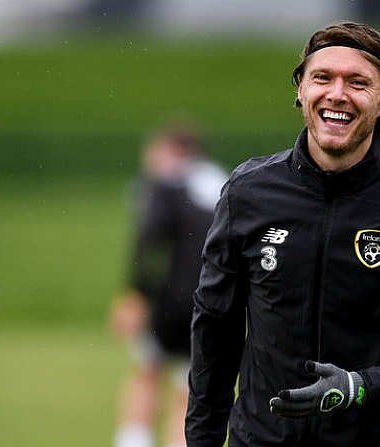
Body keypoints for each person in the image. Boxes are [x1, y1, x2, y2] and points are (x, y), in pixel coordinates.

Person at [186, 21, 380, 447]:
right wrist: (202, 440)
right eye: (322, 77)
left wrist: (360, 386)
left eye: (358, 82)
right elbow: (215, 327)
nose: (337, 94)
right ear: (301, 89)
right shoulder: (247, 194)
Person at [110, 119, 228, 447]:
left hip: (170, 299)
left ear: (174, 150)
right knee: (188, 387)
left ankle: (133, 442)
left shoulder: (166, 182)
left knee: (147, 370)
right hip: (212, 299)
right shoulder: (224, 182)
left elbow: (150, 241)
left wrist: (135, 293)